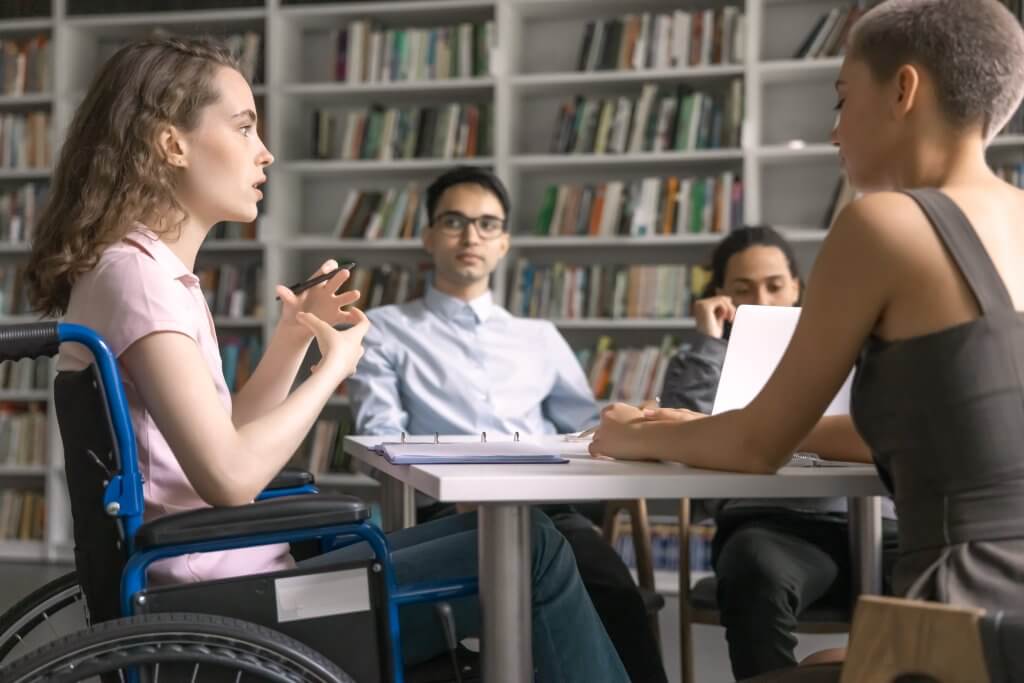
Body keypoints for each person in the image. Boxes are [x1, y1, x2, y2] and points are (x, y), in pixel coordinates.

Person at [26, 37, 628, 682]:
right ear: (172, 144)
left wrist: (293, 339)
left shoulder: (139, 270)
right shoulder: (142, 279)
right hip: (226, 603)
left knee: (518, 540)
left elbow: (219, 438)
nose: (266, 152)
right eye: (245, 126)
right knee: (529, 552)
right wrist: (332, 369)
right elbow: (230, 478)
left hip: (216, 577)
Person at [592, 0, 1024, 679]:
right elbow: (955, 426)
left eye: (843, 98)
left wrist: (631, 434)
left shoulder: (884, 223)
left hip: (963, 617)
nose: (833, 133)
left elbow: (755, 446)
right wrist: (727, 424)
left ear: (904, 90)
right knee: (826, 659)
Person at [346, 164, 668, 683]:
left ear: (504, 243)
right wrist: (459, 478)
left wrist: (628, 423)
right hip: (445, 511)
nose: (471, 235)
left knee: (610, 587)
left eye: (487, 224)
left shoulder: (539, 336)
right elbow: (380, 436)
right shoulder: (384, 329)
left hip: (546, 507)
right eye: (454, 221)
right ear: (429, 236)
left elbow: (586, 426)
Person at [659, 225, 897, 679]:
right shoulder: (705, 359)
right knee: (753, 570)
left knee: (950, 569)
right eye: (743, 289)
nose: (763, 301)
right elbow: (679, 439)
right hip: (771, 528)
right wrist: (709, 343)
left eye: (774, 286)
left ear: (797, 289)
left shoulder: (846, 346)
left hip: (875, 523)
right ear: (720, 295)